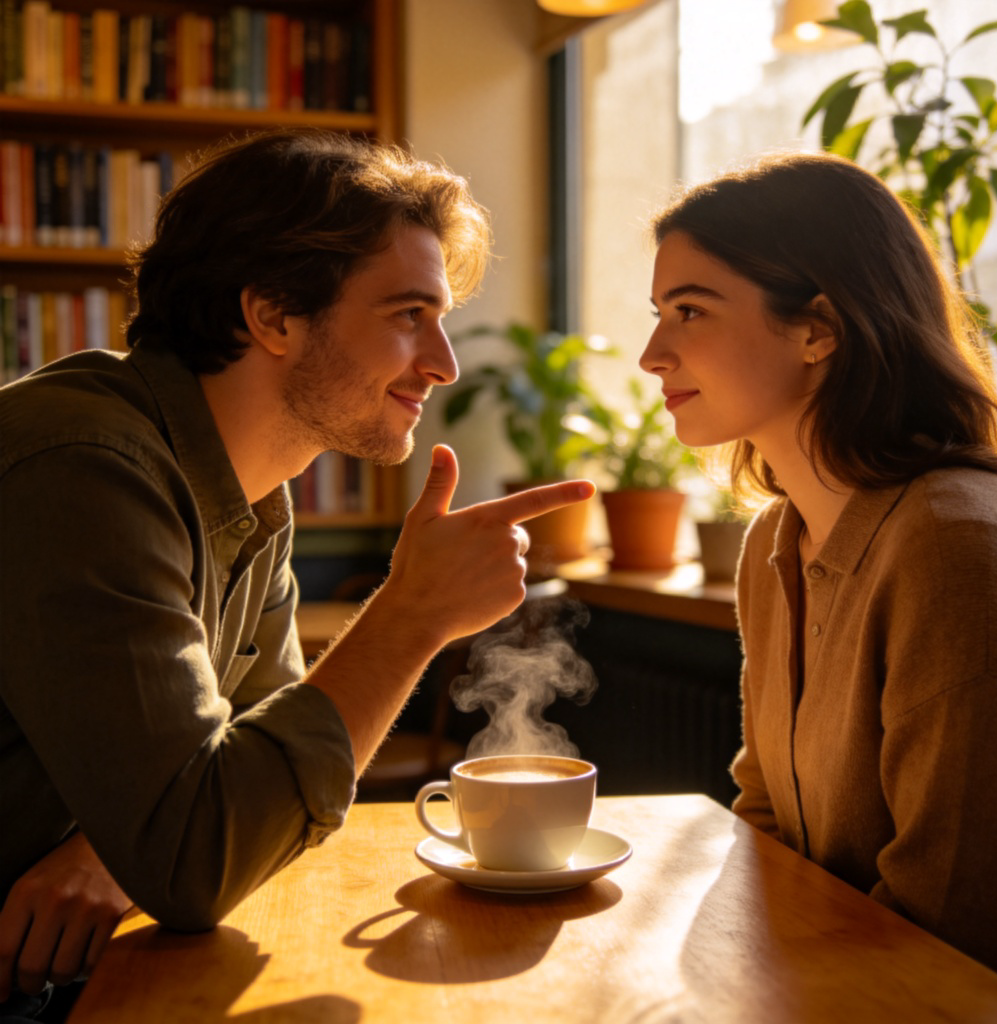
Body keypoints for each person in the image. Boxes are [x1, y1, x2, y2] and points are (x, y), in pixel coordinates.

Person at [0, 128, 595, 1018]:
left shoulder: (250, 494)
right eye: (408, 316)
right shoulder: (82, 464)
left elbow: (252, 781)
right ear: (274, 315)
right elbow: (200, 857)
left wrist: (105, 842)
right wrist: (410, 617)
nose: (444, 364)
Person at [641, 151, 997, 983]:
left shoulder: (957, 543)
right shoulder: (775, 541)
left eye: (691, 311)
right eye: (659, 312)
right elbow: (765, 822)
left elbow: (957, 923)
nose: (652, 354)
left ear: (819, 327)